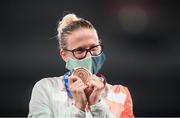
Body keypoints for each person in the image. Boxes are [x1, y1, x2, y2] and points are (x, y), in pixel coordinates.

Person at [28, 13, 134, 118]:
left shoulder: (120, 94)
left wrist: (97, 105)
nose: (89, 56)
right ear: (64, 55)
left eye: (94, 48)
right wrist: (78, 108)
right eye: (79, 50)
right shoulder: (46, 88)